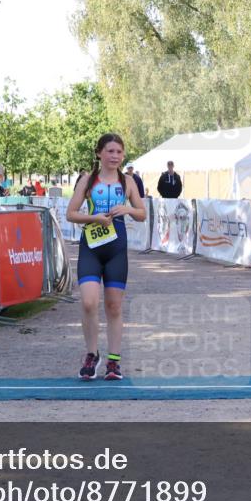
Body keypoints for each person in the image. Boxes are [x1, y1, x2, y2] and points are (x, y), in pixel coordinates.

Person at [66, 133, 147, 381]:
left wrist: (128, 209)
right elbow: (71, 214)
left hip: (116, 249)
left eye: (119, 152)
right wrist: (94, 218)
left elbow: (142, 214)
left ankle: (114, 360)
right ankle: (92, 354)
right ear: (99, 153)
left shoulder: (128, 181)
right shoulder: (88, 180)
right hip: (91, 247)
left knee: (114, 306)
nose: (115, 156)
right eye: (110, 151)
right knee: (89, 302)